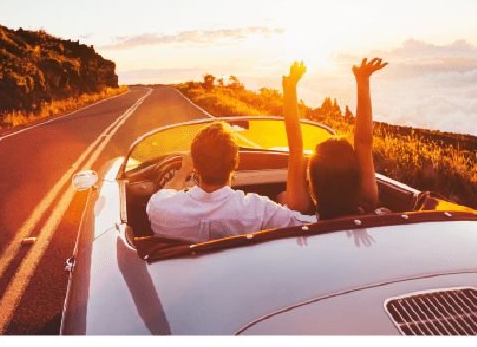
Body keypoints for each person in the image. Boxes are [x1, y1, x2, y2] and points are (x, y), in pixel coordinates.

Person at [146, 121, 310, 243]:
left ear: (195, 165)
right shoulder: (259, 210)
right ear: (236, 162)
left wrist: (182, 172)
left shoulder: (159, 207)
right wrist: (286, 206)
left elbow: (167, 192)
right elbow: (307, 225)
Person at [282, 58, 387, 220]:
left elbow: (296, 148)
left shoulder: (303, 210)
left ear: (313, 182)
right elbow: (363, 143)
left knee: (280, 197)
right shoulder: (366, 201)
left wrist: (289, 87)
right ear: (355, 176)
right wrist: (363, 80)